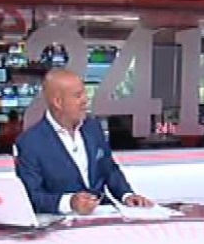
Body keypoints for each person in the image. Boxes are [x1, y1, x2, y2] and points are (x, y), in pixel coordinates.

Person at [14, 68, 152, 215]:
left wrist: (127, 195)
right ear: (58, 102)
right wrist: (70, 203)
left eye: (85, 93)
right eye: (78, 95)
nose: (86, 100)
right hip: (61, 221)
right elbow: (32, 196)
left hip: (103, 214)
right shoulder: (30, 143)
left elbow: (109, 169)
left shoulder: (93, 128)